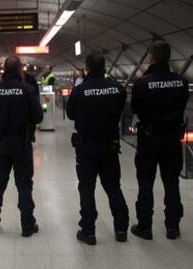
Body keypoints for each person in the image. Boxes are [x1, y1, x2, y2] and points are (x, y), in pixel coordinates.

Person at [66, 51, 129, 245]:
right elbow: (121, 111)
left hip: (86, 146)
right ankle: (121, 229)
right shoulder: (118, 89)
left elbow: (70, 114)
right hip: (110, 145)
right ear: (105, 67)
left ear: (87, 69)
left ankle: (88, 232)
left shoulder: (79, 90)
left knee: (86, 188)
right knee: (113, 187)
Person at [130, 40, 189, 240]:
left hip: (149, 139)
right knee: (172, 183)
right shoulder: (181, 81)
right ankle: (173, 227)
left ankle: (145, 227)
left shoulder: (142, 82)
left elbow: (135, 108)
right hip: (173, 138)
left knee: (145, 184)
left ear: (152, 57)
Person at [0, 56, 43, 237]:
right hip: (21, 143)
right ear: (20, 70)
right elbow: (38, 117)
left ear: (3, 70)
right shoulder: (28, 90)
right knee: (24, 185)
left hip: (0, 143)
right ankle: (27, 226)